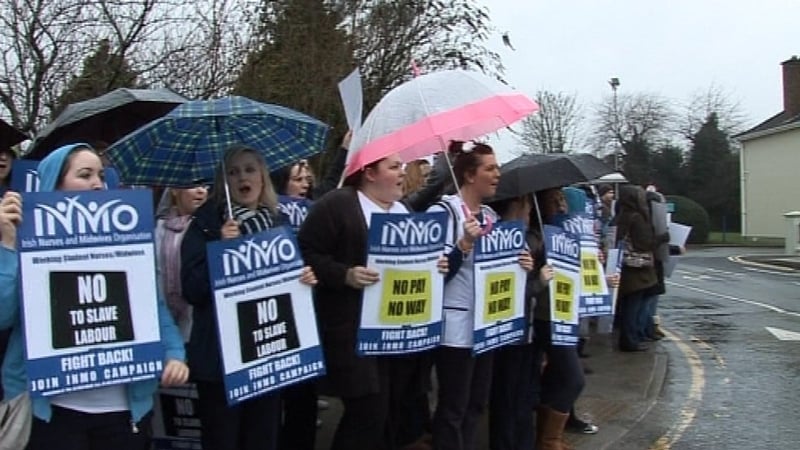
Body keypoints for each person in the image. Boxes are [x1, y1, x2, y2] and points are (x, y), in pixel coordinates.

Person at [0, 143, 189, 449]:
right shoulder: (23, 241)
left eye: (101, 175)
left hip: (123, 411)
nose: (97, 183)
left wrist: (174, 355)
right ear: (54, 184)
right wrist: (7, 245)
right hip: (52, 410)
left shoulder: (126, 242)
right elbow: (3, 314)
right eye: (85, 175)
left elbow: (153, 309)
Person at [298, 149, 447, 450]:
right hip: (353, 332)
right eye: (394, 167)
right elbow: (306, 253)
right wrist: (345, 274)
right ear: (369, 172)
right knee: (368, 413)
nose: (403, 173)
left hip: (398, 333)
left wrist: (436, 263)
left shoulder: (403, 210)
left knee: (391, 413)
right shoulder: (338, 204)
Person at [180, 145, 317, 450]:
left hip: (268, 356)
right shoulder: (204, 225)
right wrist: (220, 249)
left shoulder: (278, 223)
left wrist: (304, 280)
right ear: (223, 182)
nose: (243, 177)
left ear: (262, 178)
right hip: (219, 363)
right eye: (233, 171)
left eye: (250, 169)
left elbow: (289, 287)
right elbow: (192, 289)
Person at [428, 142, 533, 450]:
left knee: (476, 404)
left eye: (496, 167)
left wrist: (522, 264)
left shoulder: (490, 216)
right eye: (490, 168)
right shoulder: (444, 211)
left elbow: (498, 271)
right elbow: (435, 273)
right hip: (455, 325)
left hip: (486, 325)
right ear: (470, 175)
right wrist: (463, 245)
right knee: (453, 408)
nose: (497, 174)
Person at [487, 194, 551, 450]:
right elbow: (506, 293)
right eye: (525, 205)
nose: (529, 211)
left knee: (524, 395)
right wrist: (538, 281)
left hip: (528, 330)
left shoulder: (532, 237)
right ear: (516, 206)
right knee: (508, 395)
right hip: (509, 331)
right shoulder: (499, 237)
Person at [528, 187, 585, 450]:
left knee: (555, 376)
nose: (562, 206)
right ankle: (549, 440)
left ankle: (548, 437)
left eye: (562, 200)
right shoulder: (536, 236)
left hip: (563, 312)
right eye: (555, 201)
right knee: (573, 378)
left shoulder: (567, 234)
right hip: (545, 316)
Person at [154, 185, 209, 341]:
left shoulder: (210, 230)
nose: (201, 191)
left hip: (196, 325)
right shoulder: (157, 229)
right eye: (193, 185)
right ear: (174, 190)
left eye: (205, 186)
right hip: (164, 323)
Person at [613, 185, 658, 352]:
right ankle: (630, 341)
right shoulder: (637, 218)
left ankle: (627, 338)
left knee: (626, 306)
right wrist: (662, 237)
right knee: (634, 306)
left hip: (623, 266)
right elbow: (645, 243)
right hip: (637, 268)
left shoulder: (619, 217)